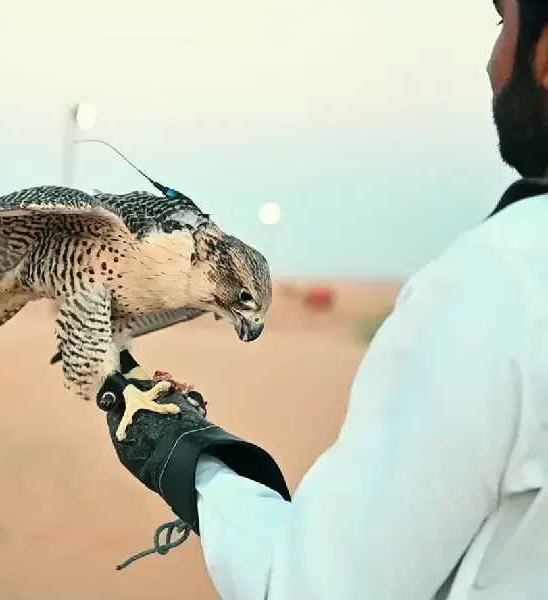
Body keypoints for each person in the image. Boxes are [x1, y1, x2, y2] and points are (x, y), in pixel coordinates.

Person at [97, 0, 548, 598]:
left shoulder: (501, 281)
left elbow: (319, 588)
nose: (492, 64)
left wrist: (192, 459)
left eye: (502, 23)